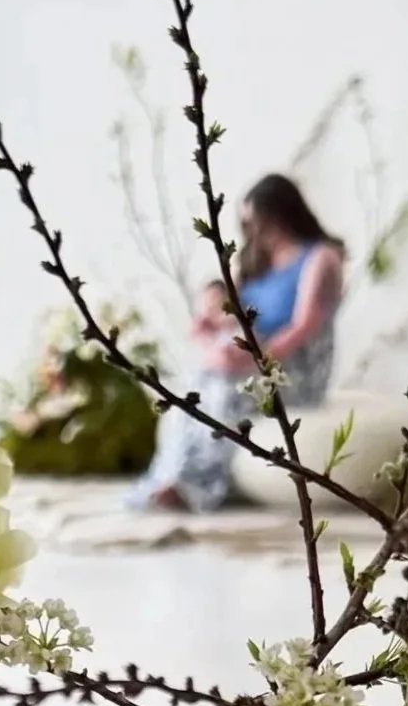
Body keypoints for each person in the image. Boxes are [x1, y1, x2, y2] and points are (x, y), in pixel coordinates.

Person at [135, 173, 345, 513]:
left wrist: (254, 358)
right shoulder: (253, 262)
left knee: (226, 388)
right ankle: (169, 477)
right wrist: (210, 334)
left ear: (281, 215)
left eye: (259, 222)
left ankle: (196, 485)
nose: (255, 231)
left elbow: (305, 325)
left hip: (290, 367)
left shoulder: (320, 258)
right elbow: (226, 312)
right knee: (190, 390)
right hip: (243, 356)